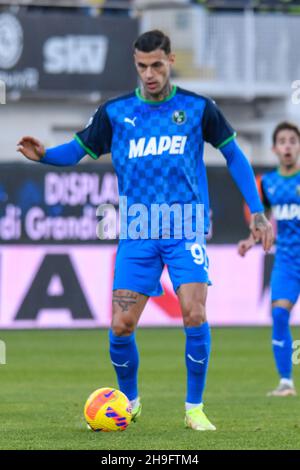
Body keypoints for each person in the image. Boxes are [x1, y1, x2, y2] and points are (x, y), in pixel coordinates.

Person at [17, 30, 273, 430]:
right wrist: (44, 156)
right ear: (135, 64)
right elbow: (78, 150)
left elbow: (234, 156)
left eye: (156, 64)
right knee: (121, 326)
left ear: (170, 60)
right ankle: (129, 402)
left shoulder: (197, 108)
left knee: (193, 311)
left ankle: (194, 408)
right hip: (137, 232)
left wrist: (257, 212)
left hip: (186, 227)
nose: (149, 74)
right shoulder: (115, 113)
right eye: (141, 66)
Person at [238, 121, 300, 397]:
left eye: (293, 140)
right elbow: (263, 223)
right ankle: (286, 382)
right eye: (283, 141)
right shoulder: (268, 184)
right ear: (275, 149)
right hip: (287, 260)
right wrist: (251, 240)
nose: (288, 145)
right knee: (278, 315)